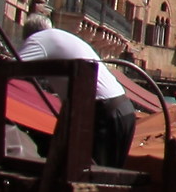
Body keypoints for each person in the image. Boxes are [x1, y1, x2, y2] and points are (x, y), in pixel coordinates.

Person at [19, 14, 135, 167]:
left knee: (90, 178)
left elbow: (9, 66)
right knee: (108, 178)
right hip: (124, 111)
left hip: (104, 114)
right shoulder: (62, 37)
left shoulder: (39, 39)